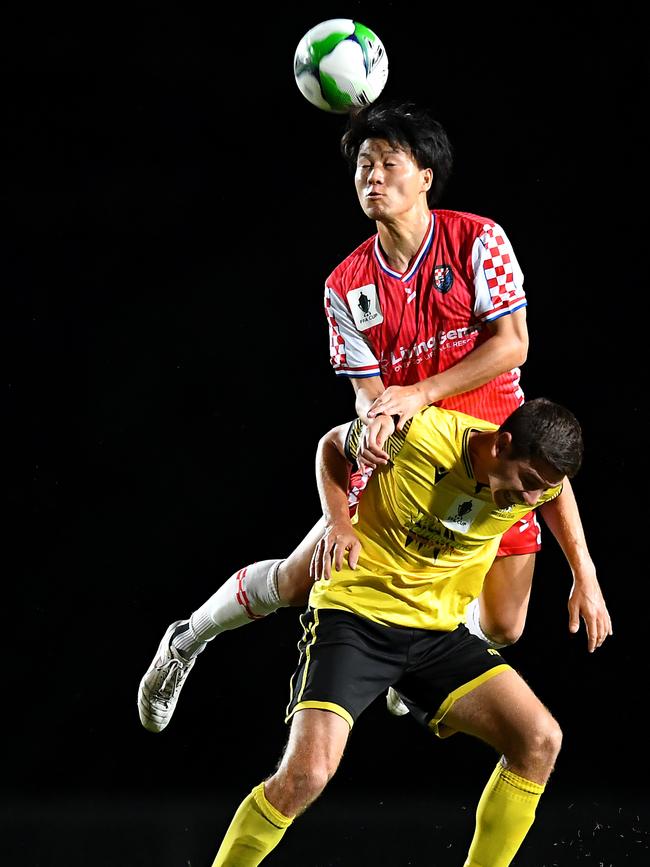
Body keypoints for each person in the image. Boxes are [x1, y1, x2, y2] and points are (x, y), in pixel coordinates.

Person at [137, 101, 611, 735]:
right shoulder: (346, 284)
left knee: (504, 625)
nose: (374, 177)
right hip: (414, 454)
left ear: (426, 177)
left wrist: (586, 573)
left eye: (391, 163)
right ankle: (188, 638)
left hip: (490, 455)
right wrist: (378, 424)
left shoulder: (479, 239)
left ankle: (419, 663)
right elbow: (368, 394)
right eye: (364, 164)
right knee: (305, 578)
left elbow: (513, 343)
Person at [209, 397, 593, 866]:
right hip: (355, 618)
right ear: (501, 444)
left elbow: (558, 492)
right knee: (306, 775)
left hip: (437, 636)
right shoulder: (419, 434)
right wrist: (338, 522)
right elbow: (331, 444)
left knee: (539, 740)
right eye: (528, 483)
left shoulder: (538, 482)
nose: (531, 500)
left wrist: (585, 575)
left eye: (542, 490)